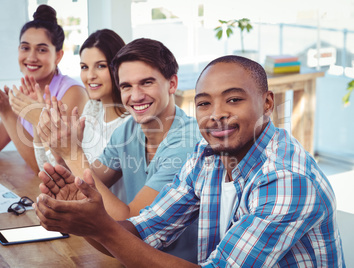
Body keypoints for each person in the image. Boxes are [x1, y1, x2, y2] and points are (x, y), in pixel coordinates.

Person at [33, 55, 345, 267]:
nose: (216, 113)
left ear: (266, 103)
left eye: (233, 99)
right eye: (204, 103)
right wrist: (84, 218)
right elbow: (142, 231)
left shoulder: (285, 179)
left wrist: (100, 227)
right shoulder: (206, 158)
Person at [36, 38, 202, 263]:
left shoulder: (187, 142)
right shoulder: (129, 130)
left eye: (146, 82)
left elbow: (133, 224)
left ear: (172, 83)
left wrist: (73, 153)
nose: (135, 96)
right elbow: (89, 181)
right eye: (126, 86)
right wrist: (62, 155)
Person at [0, 4, 87, 173]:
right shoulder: (25, 93)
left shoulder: (73, 92)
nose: (31, 57)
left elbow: (48, 167)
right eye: (25, 48)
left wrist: (7, 112)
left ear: (58, 56)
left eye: (41, 49)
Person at [34, 29, 130, 202]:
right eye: (84, 67)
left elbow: (90, 186)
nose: (90, 76)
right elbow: (52, 173)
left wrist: (68, 153)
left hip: (115, 218)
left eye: (101, 66)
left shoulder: (129, 125)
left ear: (118, 68)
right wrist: (40, 122)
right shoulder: (92, 109)